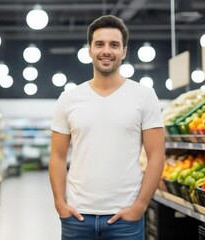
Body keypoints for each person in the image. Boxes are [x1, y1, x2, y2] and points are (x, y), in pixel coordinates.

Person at [49, 15, 165, 240]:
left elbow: (157, 156)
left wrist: (139, 206)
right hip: (77, 217)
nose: (106, 50)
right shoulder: (69, 99)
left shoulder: (144, 96)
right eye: (99, 44)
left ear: (124, 51)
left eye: (114, 45)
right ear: (89, 50)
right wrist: (60, 204)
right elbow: (57, 156)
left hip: (125, 219)